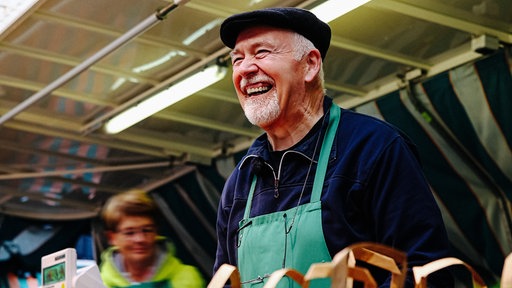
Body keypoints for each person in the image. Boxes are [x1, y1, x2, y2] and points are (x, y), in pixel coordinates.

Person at [214, 7, 452, 287]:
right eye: (237, 59)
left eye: (261, 52)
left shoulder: (373, 148)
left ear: (310, 65)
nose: (245, 68)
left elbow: (423, 269)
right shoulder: (240, 183)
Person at [99, 189, 205, 288]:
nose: (140, 239)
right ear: (112, 237)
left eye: (147, 230)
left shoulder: (187, 278)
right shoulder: (100, 284)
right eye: (129, 233)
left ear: (156, 232)